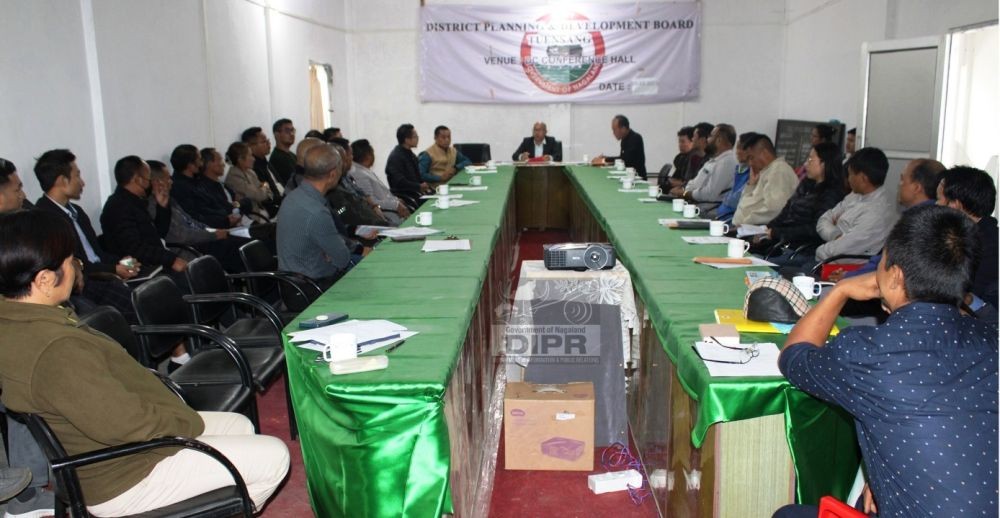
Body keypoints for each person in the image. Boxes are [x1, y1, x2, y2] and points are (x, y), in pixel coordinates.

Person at [0, 210, 289, 516]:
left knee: (240, 425)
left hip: (114, 448)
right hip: (123, 474)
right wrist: (184, 423)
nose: (77, 268)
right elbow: (125, 424)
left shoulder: (20, 322)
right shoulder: (55, 350)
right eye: (73, 261)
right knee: (275, 456)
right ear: (44, 280)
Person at [774, 204, 998, 518]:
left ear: (894, 276)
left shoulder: (868, 353)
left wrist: (839, 292)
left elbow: (794, 357)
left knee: (789, 515)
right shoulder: (992, 340)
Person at [33, 149, 141, 322]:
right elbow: (73, 265)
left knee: (151, 291)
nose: (82, 182)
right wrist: (114, 270)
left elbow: (97, 254)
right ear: (62, 180)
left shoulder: (77, 212)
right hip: (85, 284)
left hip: (103, 276)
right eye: (77, 176)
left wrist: (121, 262)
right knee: (139, 305)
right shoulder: (45, 219)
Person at [830, 158, 944, 281]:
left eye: (902, 179)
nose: (899, 185)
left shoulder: (918, 224)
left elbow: (887, 267)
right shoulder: (932, 217)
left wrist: (848, 277)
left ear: (916, 187)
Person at [751, 142, 848, 262]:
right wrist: (766, 230)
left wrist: (777, 233)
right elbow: (785, 212)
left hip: (803, 250)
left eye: (811, 159)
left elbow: (815, 229)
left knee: (756, 261)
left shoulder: (831, 194)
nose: (806, 164)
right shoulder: (806, 184)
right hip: (784, 243)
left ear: (824, 164)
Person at [147, 160, 248, 273]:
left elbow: (191, 221)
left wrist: (213, 230)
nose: (171, 181)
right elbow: (181, 236)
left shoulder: (169, 199)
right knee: (237, 248)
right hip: (191, 247)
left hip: (202, 239)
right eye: (168, 178)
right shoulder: (153, 206)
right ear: (157, 183)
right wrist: (213, 235)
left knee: (243, 241)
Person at [276, 144, 354, 289]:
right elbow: (342, 259)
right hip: (313, 288)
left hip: (293, 283)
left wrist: (329, 252)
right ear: (332, 174)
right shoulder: (316, 211)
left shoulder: (294, 196)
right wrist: (332, 252)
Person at [100, 156, 189, 276]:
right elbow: (134, 249)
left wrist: (162, 208)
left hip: (155, 263)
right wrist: (171, 259)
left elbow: (158, 234)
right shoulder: (119, 207)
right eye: (150, 179)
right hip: (140, 270)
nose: (152, 183)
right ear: (138, 180)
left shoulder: (135, 201)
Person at [813, 147, 898, 262]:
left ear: (863, 178)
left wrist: (820, 250)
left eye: (850, 174)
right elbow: (822, 221)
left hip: (840, 267)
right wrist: (836, 235)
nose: (848, 179)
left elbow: (839, 250)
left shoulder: (877, 213)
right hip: (828, 258)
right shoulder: (857, 195)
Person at [937, 166, 998, 311]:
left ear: (955, 205)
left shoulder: (987, 249)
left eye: (939, 199)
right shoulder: (979, 235)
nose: (936, 205)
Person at [732, 134, 798, 226]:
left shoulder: (778, 171)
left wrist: (745, 222)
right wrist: (751, 185)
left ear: (765, 153)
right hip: (743, 228)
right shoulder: (766, 171)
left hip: (755, 231)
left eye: (751, 158)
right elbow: (746, 203)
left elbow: (774, 209)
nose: (750, 163)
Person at [673, 124, 738, 210]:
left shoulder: (727, 162)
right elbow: (694, 183)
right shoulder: (713, 160)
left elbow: (709, 194)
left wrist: (685, 193)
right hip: (696, 203)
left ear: (719, 140)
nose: (707, 140)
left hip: (709, 208)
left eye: (710, 136)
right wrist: (682, 191)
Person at [349, 139, 410, 225]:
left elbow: (382, 193)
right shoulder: (359, 174)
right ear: (368, 155)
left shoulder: (364, 170)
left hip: (392, 210)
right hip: (386, 215)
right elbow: (371, 201)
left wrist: (396, 200)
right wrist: (395, 205)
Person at [224, 141, 274, 220]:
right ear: (240, 159)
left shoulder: (251, 172)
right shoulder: (234, 177)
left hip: (263, 212)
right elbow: (259, 195)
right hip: (250, 218)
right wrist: (264, 185)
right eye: (250, 156)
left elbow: (270, 194)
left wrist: (263, 188)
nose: (253, 159)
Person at [714, 132, 756, 224]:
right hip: (721, 216)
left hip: (731, 221)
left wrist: (726, 199)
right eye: (737, 148)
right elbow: (732, 193)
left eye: (742, 148)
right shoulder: (739, 169)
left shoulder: (754, 173)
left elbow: (737, 200)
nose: (738, 152)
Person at [240, 126, 284, 214]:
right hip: (272, 211)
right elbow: (266, 197)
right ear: (249, 146)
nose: (268, 143)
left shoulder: (266, 162)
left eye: (267, 140)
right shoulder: (252, 169)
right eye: (264, 141)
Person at [385, 123, 430, 208]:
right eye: (415, 136)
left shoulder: (410, 154)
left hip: (416, 192)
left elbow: (417, 177)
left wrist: (423, 184)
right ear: (407, 140)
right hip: (406, 195)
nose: (418, 138)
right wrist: (418, 186)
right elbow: (399, 182)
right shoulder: (396, 157)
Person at [592, 114, 646, 179]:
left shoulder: (635, 138)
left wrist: (604, 160)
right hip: (627, 177)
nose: (613, 133)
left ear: (623, 129)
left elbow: (625, 160)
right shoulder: (624, 139)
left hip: (637, 179)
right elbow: (622, 159)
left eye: (614, 130)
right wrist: (604, 159)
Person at [667, 122, 713, 190]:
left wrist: (683, 191)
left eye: (694, 136)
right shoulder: (688, 158)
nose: (693, 139)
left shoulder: (710, 161)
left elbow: (697, 187)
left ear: (702, 140)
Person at [269, 118, 297, 185]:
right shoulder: (276, 158)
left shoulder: (292, 155)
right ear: (277, 134)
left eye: (293, 130)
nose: (292, 134)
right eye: (287, 131)